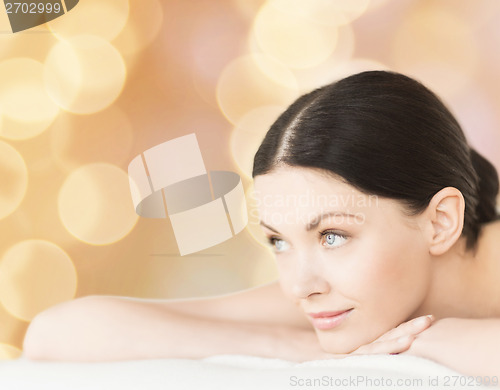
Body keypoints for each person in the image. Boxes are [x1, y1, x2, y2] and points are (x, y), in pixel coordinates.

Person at [22, 71, 500, 379]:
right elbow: (56, 332)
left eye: (332, 235)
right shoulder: (342, 295)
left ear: (440, 221)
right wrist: (293, 348)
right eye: (278, 240)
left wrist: (428, 341)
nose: (298, 286)